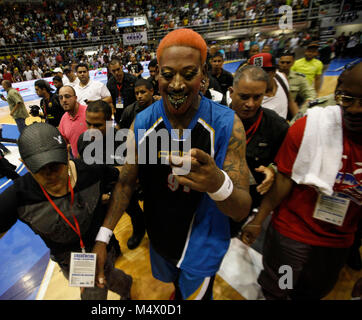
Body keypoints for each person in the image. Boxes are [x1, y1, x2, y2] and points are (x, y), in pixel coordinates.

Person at [93, 28, 251, 300]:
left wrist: (217, 184)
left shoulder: (227, 124)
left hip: (202, 243)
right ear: (157, 75)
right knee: (174, 287)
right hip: (161, 236)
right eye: (168, 75)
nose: (177, 84)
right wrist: (103, 237)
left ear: (203, 75)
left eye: (189, 74)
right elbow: (126, 182)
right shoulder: (142, 122)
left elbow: (240, 210)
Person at [0, 122, 132, 300]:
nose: (49, 175)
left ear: (67, 152)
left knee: (97, 287)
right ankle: (127, 285)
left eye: (55, 165)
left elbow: (123, 184)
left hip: (103, 245)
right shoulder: (16, 197)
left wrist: (103, 238)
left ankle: (126, 287)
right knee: (110, 277)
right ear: (25, 164)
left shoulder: (91, 170)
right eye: (39, 168)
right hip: (67, 259)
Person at [241, 62, 362, 300]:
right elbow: (284, 179)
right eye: (348, 99)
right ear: (337, 93)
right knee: (281, 284)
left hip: (339, 238)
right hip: (292, 234)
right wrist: (258, 221)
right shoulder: (312, 125)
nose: (356, 109)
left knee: (315, 290)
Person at [228, 65, 289, 237]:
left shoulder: (276, 126)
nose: (250, 104)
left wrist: (273, 169)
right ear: (231, 91)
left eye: (258, 97)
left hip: (251, 204)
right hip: (213, 201)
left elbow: (285, 165)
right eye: (244, 97)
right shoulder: (212, 116)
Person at [77, 100, 146, 250]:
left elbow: (136, 172)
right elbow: (84, 170)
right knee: (100, 223)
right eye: (88, 124)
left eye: (97, 125)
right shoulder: (83, 140)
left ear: (109, 121)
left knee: (134, 211)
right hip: (99, 194)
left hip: (125, 191)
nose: (91, 130)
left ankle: (140, 230)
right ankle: (112, 247)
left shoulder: (126, 139)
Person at [249, 53, 298, 120]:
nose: (259, 77)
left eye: (264, 73)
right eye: (254, 73)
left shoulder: (282, 78)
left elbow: (290, 101)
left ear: (274, 72)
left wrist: (298, 121)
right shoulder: (251, 99)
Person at [58, 86, 87, 159]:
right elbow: (63, 143)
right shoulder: (63, 119)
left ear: (75, 98)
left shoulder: (88, 112)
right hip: (79, 163)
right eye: (61, 98)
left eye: (67, 96)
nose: (64, 100)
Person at [107, 58, 137, 124]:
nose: (116, 73)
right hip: (118, 114)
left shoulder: (133, 79)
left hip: (133, 113)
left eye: (118, 69)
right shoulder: (110, 83)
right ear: (110, 71)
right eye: (113, 71)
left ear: (121, 67)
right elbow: (110, 100)